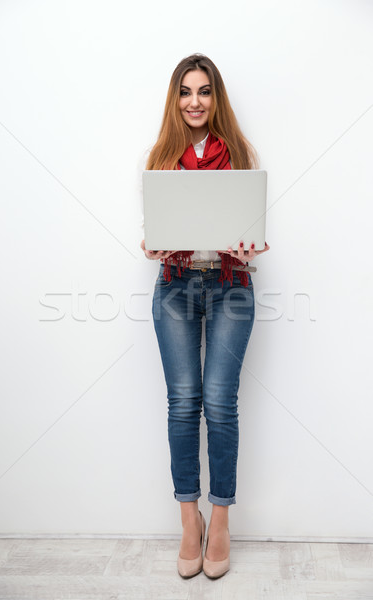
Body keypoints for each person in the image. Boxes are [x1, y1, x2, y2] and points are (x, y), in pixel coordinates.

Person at [138, 53, 270, 579]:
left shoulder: (239, 152)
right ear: (176, 99)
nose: (195, 101)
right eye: (186, 92)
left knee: (220, 402)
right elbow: (156, 229)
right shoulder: (161, 156)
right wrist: (152, 245)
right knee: (182, 403)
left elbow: (253, 229)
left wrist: (253, 243)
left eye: (205, 91)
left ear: (216, 98)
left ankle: (220, 521)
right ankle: (187, 519)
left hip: (231, 287)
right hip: (174, 288)